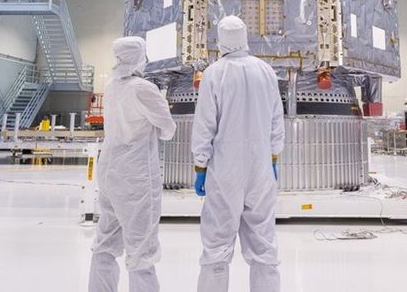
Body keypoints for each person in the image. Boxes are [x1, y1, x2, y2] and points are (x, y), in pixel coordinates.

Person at [191, 15, 284, 292]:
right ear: (245, 38)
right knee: (264, 245)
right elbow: (276, 121)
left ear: (220, 41)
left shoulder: (214, 73)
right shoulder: (265, 71)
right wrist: (273, 158)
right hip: (260, 170)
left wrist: (200, 167)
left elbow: (205, 125)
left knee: (217, 245)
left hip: (225, 171)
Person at [88, 36, 176, 292]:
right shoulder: (143, 88)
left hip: (109, 170)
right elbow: (168, 128)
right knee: (141, 248)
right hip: (134, 176)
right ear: (139, 57)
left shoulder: (111, 86)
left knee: (106, 240)